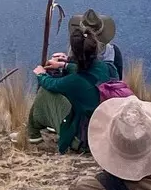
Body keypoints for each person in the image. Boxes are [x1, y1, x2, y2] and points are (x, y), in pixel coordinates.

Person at [31, 25, 104, 153]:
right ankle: (35, 133)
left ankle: (33, 134)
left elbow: (51, 84)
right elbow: (87, 70)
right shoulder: (104, 67)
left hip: (85, 140)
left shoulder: (74, 81)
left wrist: (41, 74)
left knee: (45, 92)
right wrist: (65, 64)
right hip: (104, 133)